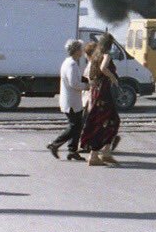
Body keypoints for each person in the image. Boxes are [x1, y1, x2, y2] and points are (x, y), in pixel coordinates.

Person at [79, 34, 121, 166]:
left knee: (101, 122)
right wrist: (113, 78)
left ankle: (104, 152)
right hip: (105, 94)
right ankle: (96, 155)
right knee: (109, 121)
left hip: (97, 93)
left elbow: (91, 76)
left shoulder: (95, 57)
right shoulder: (106, 55)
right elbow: (103, 68)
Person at [47, 39, 87, 161]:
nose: (82, 51)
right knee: (75, 126)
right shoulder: (72, 65)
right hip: (71, 101)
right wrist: (87, 86)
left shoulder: (69, 62)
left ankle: (72, 151)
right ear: (76, 50)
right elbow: (74, 83)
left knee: (77, 125)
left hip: (72, 100)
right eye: (81, 48)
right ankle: (55, 144)